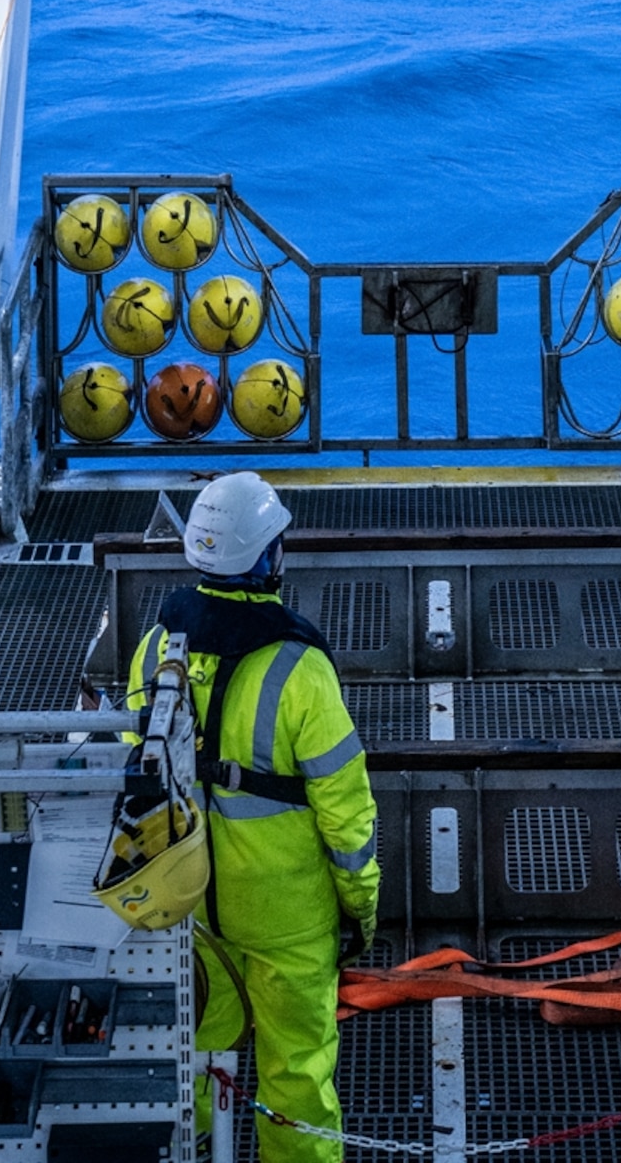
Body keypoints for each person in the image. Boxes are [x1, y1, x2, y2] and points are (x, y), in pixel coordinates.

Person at [125, 471, 377, 1163]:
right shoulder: (300, 667)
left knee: (197, 1051)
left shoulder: (156, 647)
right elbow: (345, 811)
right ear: (268, 555)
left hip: (189, 899)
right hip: (286, 911)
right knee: (297, 1066)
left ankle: (191, 1148)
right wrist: (360, 905)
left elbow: (138, 772)